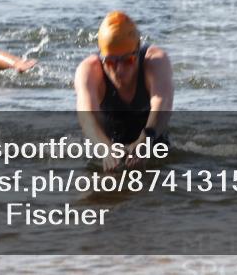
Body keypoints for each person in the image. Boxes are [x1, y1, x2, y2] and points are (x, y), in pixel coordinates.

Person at [74, 11, 173, 171]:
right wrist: (105, 148)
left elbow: (163, 103)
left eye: (128, 60)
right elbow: (86, 116)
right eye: (111, 62)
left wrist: (145, 141)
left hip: (151, 135)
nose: (119, 70)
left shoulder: (155, 62)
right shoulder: (89, 70)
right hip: (106, 139)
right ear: (102, 56)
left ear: (137, 51)